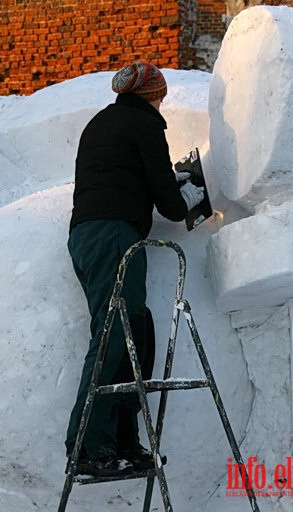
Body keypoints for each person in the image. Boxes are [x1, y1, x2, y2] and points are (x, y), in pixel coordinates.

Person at [65, 62, 204, 478]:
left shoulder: (104, 122)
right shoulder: (143, 126)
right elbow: (169, 203)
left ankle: (121, 442)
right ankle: (88, 448)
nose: (162, 99)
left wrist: (168, 185)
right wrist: (189, 192)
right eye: (160, 93)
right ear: (152, 95)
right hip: (112, 235)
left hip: (97, 234)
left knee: (134, 332)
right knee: (114, 333)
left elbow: (130, 179)